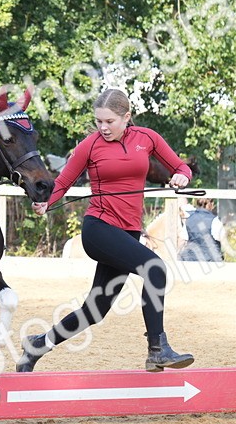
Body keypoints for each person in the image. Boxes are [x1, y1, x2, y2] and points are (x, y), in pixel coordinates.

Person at [22, 88, 194, 373]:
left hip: (128, 233)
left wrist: (180, 176)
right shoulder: (89, 145)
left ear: (126, 117)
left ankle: (37, 345)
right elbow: (62, 182)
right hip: (99, 228)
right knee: (155, 268)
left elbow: (180, 167)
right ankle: (157, 350)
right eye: (98, 121)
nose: (103, 127)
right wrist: (45, 202)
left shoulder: (147, 139)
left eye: (109, 121)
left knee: (96, 309)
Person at [178, 197, 224, 262]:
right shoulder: (215, 220)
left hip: (191, 260)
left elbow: (182, 240)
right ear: (211, 204)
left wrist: (177, 254)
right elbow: (222, 238)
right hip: (211, 261)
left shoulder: (189, 219)